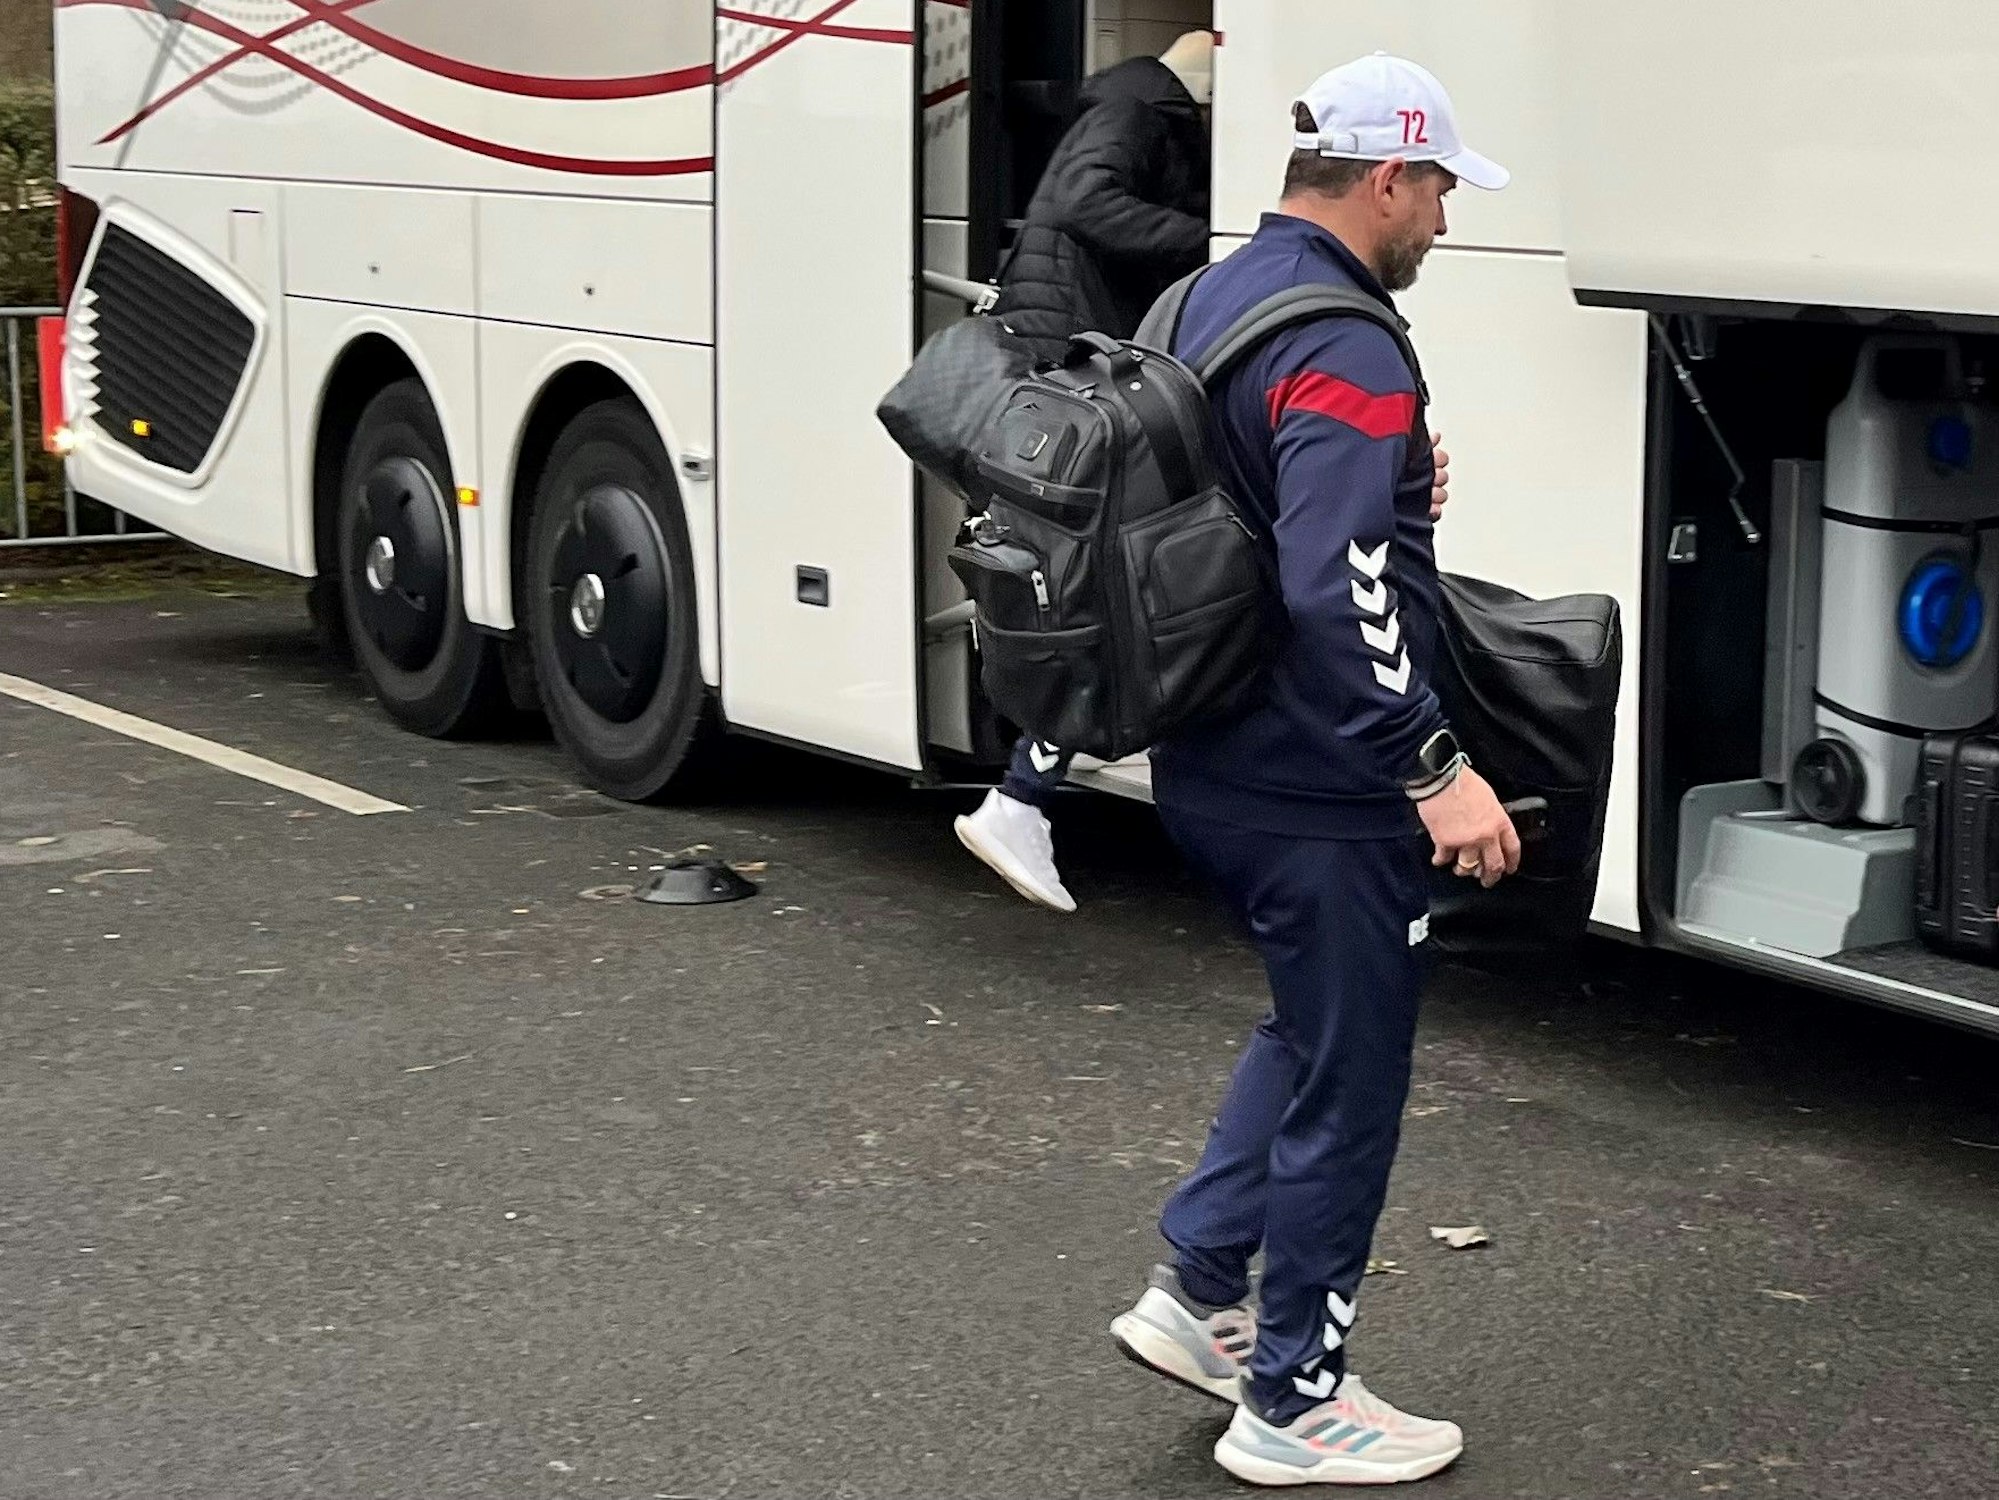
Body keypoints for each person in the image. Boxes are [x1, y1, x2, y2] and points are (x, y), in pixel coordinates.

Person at [1102, 53, 1520, 1487]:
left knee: (1302, 1030)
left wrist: (1396, 481)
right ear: (1388, 175)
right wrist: (1431, 771)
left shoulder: (1204, 293)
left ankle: (1196, 1290)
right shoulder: (1343, 338)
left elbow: (1245, 491)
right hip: (1315, 783)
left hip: (1207, 749)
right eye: (1441, 193)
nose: (1446, 226)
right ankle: (1293, 1403)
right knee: (1351, 1077)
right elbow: (1335, 587)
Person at [952, 31, 1216, 915]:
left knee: (1088, 587)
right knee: (1097, 592)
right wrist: (1211, 243)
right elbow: (1081, 201)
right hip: (1073, 370)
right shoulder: (1141, 104)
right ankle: (1020, 796)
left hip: (1068, 367)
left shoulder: (1137, 102)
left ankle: (1023, 792)